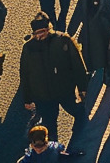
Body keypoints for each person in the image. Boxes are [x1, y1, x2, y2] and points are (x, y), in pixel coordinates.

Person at [19, 12, 88, 142]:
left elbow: (77, 65)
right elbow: (25, 74)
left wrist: (82, 88)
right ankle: (54, 151)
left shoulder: (63, 40)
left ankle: (81, 134)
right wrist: (27, 98)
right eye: (36, 33)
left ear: (49, 29)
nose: (40, 36)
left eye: (42, 32)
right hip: (43, 96)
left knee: (75, 110)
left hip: (64, 90)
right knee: (50, 126)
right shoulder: (28, 48)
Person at [67, 0, 110, 83]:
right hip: (88, 33)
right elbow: (78, 14)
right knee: (88, 55)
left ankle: (105, 76)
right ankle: (90, 75)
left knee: (104, 56)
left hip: (103, 34)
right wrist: (70, 32)